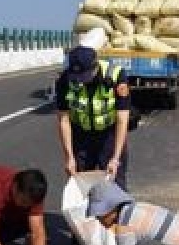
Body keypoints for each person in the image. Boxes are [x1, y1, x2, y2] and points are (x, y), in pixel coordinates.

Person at [55, 45, 132, 189]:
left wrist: (115, 158)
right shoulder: (65, 80)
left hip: (108, 135)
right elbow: (63, 120)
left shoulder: (116, 76)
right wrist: (69, 157)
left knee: (115, 183)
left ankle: (118, 209)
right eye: (76, 76)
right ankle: (86, 211)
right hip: (81, 136)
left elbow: (122, 120)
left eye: (84, 76)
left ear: (95, 67)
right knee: (80, 184)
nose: (80, 80)